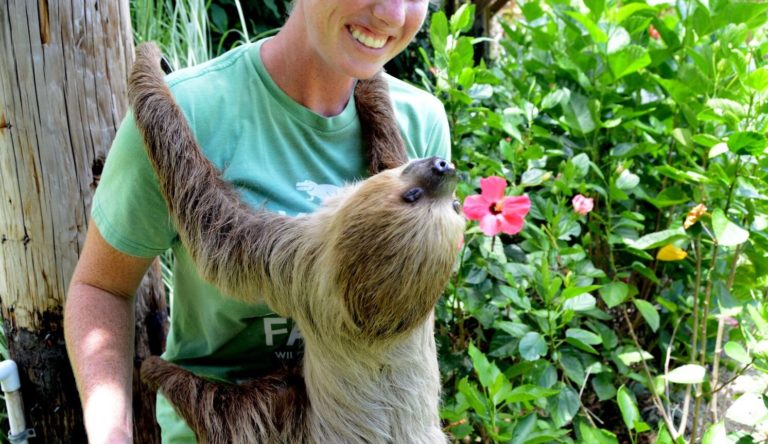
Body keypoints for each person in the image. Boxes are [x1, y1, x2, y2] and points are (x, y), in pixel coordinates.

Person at [64, 0, 450, 442]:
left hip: (327, 424)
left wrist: (151, 95)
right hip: (390, 418)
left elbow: (214, 226)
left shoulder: (309, 258)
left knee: (238, 411)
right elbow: (101, 285)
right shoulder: (199, 107)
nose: (393, 14)